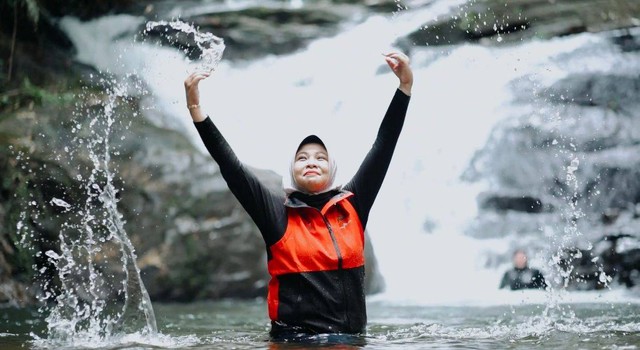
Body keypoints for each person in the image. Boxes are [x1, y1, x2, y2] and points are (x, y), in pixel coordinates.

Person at [183, 52, 412, 339]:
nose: (312, 162)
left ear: (332, 169)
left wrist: (404, 88)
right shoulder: (277, 215)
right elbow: (232, 168)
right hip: (294, 341)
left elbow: (384, 145)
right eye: (302, 158)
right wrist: (196, 109)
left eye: (320, 157)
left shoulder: (353, 205)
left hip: (352, 341)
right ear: (292, 170)